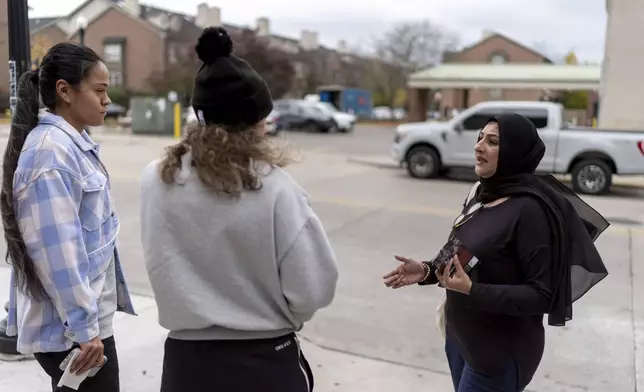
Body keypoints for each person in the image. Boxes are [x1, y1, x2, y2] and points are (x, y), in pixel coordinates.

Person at [140, 26, 339, 392]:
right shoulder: (274, 187)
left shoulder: (155, 181)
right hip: (261, 361)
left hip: (186, 365)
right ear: (255, 122)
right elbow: (314, 288)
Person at [383, 113, 608, 392]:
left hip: (498, 356)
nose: (479, 146)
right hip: (460, 340)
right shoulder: (482, 192)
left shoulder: (531, 211)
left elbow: (543, 294)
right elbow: (462, 250)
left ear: (514, 151)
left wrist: (473, 290)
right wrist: (427, 271)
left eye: (492, 142)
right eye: (480, 138)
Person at [1, 42, 135, 391]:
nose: (107, 100)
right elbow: (59, 253)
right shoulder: (51, 154)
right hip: (75, 334)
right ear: (65, 91)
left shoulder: (71, 144)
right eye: (99, 90)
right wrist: (85, 330)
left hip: (83, 327)